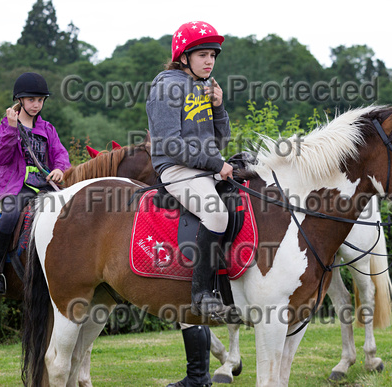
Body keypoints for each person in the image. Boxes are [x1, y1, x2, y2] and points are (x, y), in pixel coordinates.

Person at [146, 21, 231, 387]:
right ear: (183, 56)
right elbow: (169, 143)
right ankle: (200, 292)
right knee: (216, 212)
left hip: (204, 169)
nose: (209, 61)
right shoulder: (166, 87)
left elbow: (220, 138)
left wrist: (219, 108)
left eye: (212, 55)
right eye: (202, 54)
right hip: (177, 171)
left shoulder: (202, 87)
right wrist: (215, 165)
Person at [0, 72, 71, 295]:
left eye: (41, 100)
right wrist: (12, 129)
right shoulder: (8, 125)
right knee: (10, 217)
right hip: (16, 188)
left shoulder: (47, 129)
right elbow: (0, 157)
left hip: (44, 187)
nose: (37, 105)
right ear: (20, 100)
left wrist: (59, 169)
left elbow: (60, 154)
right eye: (32, 100)